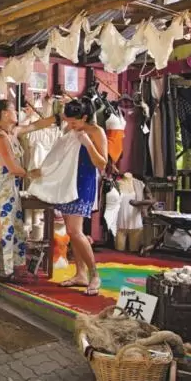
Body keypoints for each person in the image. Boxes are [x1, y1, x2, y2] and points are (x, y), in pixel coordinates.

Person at [0, 99, 56, 300]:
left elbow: (35, 125)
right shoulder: (0, 138)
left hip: (10, 190)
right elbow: (13, 168)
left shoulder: (11, 133)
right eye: (13, 109)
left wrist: (58, 116)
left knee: (12, 232)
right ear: (5, 114)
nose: (17, 112)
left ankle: (7, 271)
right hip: (1, 191)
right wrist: (33, 174)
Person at [56, 97, 109, 296]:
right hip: (67, 182)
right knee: (72, 233)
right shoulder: (70, 128)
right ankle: (80, 274)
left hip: (84, 183)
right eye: (68, 121)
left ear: (85, 117)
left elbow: (102, 164)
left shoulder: (97, 132)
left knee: (74, 231)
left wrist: (87, 143)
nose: (71, 125)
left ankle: (94, 274)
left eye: (74, 122)